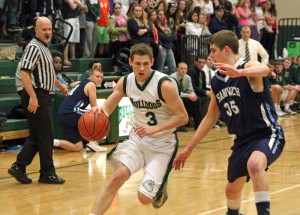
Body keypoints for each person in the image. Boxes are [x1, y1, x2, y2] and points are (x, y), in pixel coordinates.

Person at [173, 30, 285, 215]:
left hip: (267, 133)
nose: (210, 55)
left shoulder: (247, 66)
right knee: (231, 190)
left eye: (213, 50)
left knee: (255, 165)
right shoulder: (217, 80)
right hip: (242, 140)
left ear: (226, 50)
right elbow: (210, 118)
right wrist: (189, 148)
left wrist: (239, 72)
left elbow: (265, 70)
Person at [89, 43, 188, 214]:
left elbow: (183, 117)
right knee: (117, 177)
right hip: (138, 141)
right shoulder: (126, 81)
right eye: (137, 64)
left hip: (162, 146)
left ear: (152, 62)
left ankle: (159, 189)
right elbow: (107, 108)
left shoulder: (164, 85)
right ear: (130, 62)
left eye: (146, 64)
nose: (142, 68)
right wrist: (99, 112)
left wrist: (154, 129)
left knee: (144, 199)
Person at [8, 17, 68, 184]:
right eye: (44, 29)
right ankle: (47, 173)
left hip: (42, 94)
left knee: (38, 135)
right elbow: (25, 73)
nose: (48, 32)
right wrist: (33, 97)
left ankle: (19, 166)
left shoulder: (44, 47)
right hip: (36, 95)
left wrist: (59, 85)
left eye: (49, 29)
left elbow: (45, 73)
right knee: (46, 135)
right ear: (36, 30)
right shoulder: (34, 47)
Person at [55, 67, 108, 152]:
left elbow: (71, 86)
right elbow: (94, 107)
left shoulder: (81, 83)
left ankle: (51, 142)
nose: (100, 79)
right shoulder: (91, 85)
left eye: (101, 77)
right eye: (97, 76)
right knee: (97, 116)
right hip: (71, 112)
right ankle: (93, 144)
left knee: (78, 147)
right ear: (90, 76)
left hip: (63, 113)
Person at [170, 62, 201, 131]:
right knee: (182, 100)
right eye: (181, 69)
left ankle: (198, 125)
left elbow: (190, 89)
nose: (183, 70)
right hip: (173, 98)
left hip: (184, 97)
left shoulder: (187, 77)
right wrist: (188, 95)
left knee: (196, 100)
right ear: (177, 69)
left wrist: (193, 94)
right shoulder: (172, 77)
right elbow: (175, 93)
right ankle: (181, 125)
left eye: (185, 69)